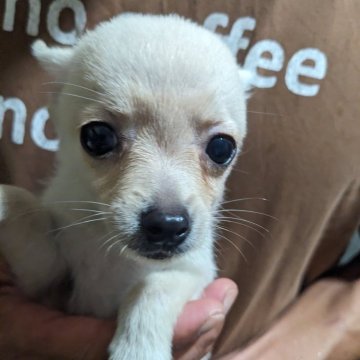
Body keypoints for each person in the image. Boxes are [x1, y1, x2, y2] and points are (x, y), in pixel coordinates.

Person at [0, 0, 359, 359]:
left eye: (218, 150)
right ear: (58, 99)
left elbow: (186, 276)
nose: (166, 212)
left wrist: (147, 324)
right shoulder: (63, 203)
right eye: (103, 140)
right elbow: (41, 272)